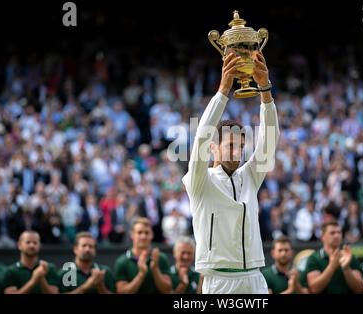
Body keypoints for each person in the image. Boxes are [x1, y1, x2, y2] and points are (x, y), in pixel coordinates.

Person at [182, 51, 279, 294]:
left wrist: (265, 91)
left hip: (256, 278)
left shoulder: (249, 177)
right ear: (213, 147)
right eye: (231, 146)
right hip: (220, 281)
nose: (237, 152)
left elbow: (269, 142)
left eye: (241, 146)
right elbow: (202, 135)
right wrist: (223, 92)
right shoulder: (199, 182)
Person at [114, 217, 172, 294]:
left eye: (147, 233)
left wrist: (155, 269)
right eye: (139, 232)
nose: (143, 236)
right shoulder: (122, 261)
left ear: (152, 235)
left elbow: (167, 290)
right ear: (132, 235)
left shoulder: (161, 258)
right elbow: (121, 291)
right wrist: (141, 274)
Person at [305, 220, 363, 294]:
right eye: (332, 233)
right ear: (322, 236)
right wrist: (332, 266)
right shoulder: (314, 258)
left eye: (339, 232)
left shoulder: (350, 257)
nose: (337, 236)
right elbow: (314, 289)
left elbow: (359, 289)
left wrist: (346, 268)